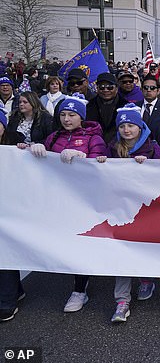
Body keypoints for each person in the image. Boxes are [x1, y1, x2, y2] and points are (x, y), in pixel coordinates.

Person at [25, 93, 107, 313]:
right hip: (61, 200)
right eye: (63, 114)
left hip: (86, 200)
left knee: (83, 243)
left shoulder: (93, 138)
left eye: (72, 115)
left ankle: (79, 290)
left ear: (81, 117)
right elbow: (41, 162)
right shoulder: (53, 137)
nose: (66, 119)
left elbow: (102, 164)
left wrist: (84, 159)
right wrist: (33, 150)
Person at [95, 103, 160, 323]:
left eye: (131, 125)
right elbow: (100, 176)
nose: (127, 130)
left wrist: (150, 165)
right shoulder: (113, 147)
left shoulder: (152, 147)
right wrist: (102, 163)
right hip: (120, 209)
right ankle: (122, 301)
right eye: (123, 125)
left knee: (143, 248)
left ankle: (146, 278)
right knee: (122, 251)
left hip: (145, 210)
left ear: (140, 126)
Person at [0, 108, 26, 323]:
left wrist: (27, 150)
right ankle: (15, 290)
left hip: (10, 205)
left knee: (5, 251)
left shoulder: (15, 144)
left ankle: (7, 301)